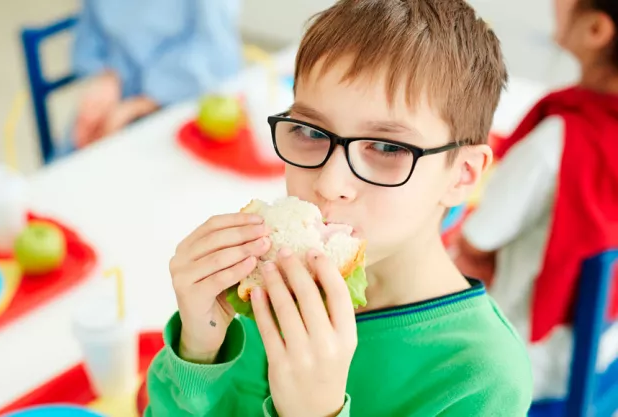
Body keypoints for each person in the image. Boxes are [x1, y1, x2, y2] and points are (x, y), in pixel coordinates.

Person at [143, 0, 533, 415]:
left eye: (386, 147)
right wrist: (199, 352)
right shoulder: (254, 295)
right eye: (311, 132)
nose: (328, 184)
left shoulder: (483, 378)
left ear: (463, 175)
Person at [454, 0, 618, 402]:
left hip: (524, 358)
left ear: (597, 30)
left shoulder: (560, 138)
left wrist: (469, 248)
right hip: (600, 351)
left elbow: (478, 236)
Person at [67, 0, 242, 152]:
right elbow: (91, 34)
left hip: (190, 101)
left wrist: (139, 105)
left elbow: (214, 52)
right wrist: (106, 76)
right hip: (117, 96)